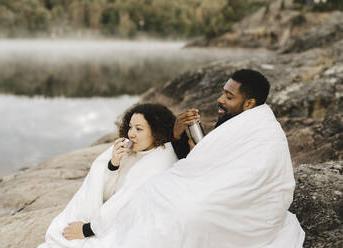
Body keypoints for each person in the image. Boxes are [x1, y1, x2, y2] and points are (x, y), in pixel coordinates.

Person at [78, 69, 305, 248]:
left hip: (250, 208)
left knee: (181, 211)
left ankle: (104, 230)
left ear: (249, 104)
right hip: (222, 189)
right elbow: (206, 159)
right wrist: (177, 135)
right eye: (223, 92)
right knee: (154, 191)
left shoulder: (263, 130)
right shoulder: (241, 121)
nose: (220, 100)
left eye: (229, 96)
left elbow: (238, 172)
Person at [38, 103, 178, 248]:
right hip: (106, 215)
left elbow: (126, 202)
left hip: (130, 223)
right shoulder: (129, 150)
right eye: (130, 127)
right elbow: (105, 194)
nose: (131, 133)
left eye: (139, 129)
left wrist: (87, 229)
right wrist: (114, 164)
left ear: (157, 131)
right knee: (59, 232)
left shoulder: (160, 159)